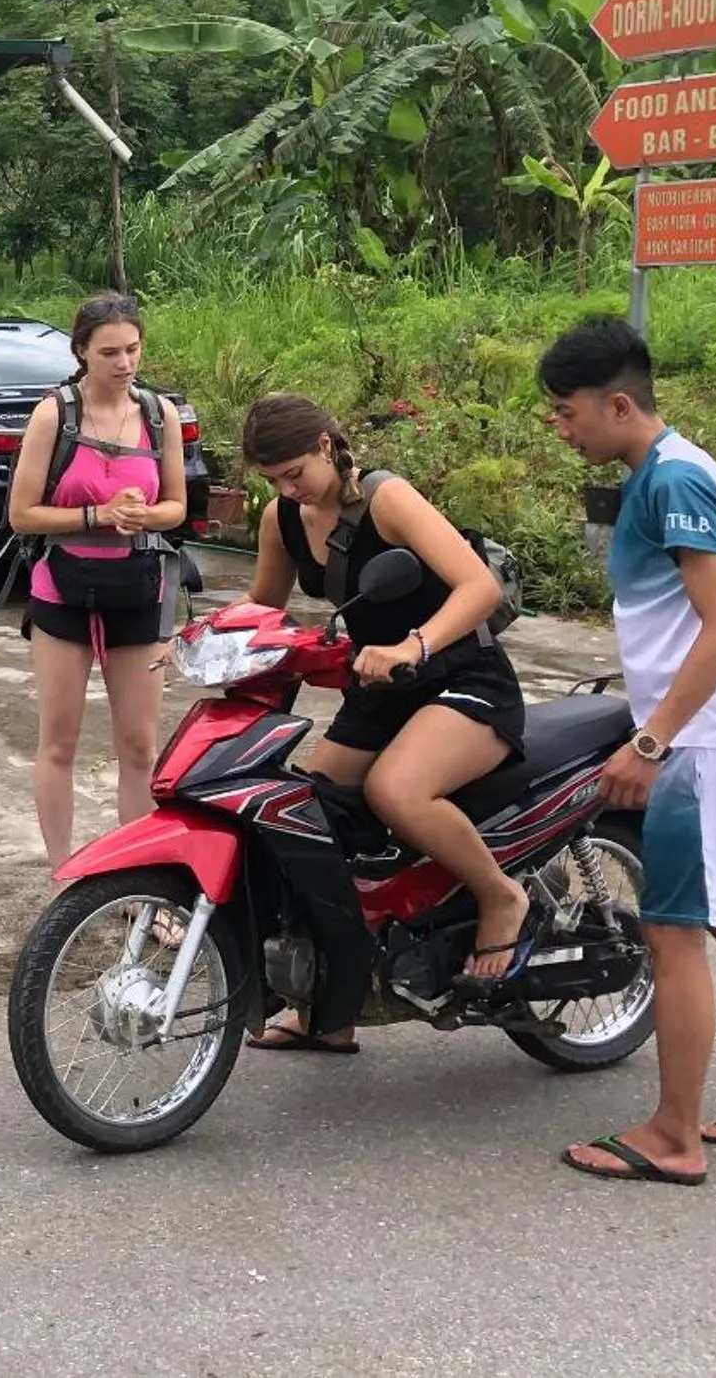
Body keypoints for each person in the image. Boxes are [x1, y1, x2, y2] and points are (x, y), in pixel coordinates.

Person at [542, 315, 716, 1186]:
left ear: (617, 404)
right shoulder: (669, 473)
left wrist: (651, 738)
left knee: (672, 933)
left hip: (706, 749)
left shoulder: (672, 481)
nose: (561, 428)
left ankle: (674, 1136)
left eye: (567, 412)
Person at [236, 393, 531, 1053]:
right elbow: (264, 608)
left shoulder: (386, 500)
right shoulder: (283, 519)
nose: (288, 489)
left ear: (325, 445)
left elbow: (479, 587)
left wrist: (414, 645)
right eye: (272, 480)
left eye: (294, 473)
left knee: (394, 792)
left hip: (461, 678)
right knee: (294, 818)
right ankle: (332, 1005)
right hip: (379, 693)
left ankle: (500, 896)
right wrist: (196, 637)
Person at [8, 294, 190, 866]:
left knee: (139, 746)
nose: (125, 362)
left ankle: (136, 886)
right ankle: (63, 872)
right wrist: (97, 515)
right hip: (62, 591)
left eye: (133, 349)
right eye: (109, 351)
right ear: (81, 352)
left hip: (139, 589)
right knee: (59, 742)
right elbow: (22, 515)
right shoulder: (53, 416)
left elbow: (178, 507)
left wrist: (142, 515)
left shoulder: (159, 415)